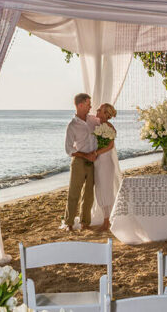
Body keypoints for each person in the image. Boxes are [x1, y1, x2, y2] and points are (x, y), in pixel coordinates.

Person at [63, 93, 98, 231]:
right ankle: (69, 223)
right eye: (88, 104)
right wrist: (85, 155)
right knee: (74, 192)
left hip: (93, 161)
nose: (90, 107)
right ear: (80, 105)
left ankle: (85, 222)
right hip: (79, 161)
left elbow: (105, 127)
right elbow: (68, 149)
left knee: (89, 194)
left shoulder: (93, 120)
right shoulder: (72, 125)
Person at [91, 103, 122, 231]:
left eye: (100, 110)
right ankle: (106, 219)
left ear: (106, 114)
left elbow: (110, 146)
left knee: (105, 190)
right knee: (100, 190)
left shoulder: (109, 127)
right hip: (98, 162)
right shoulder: (98, 125)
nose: (97, 111)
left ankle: (106, 222)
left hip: (105, 162)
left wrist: (96, 152)